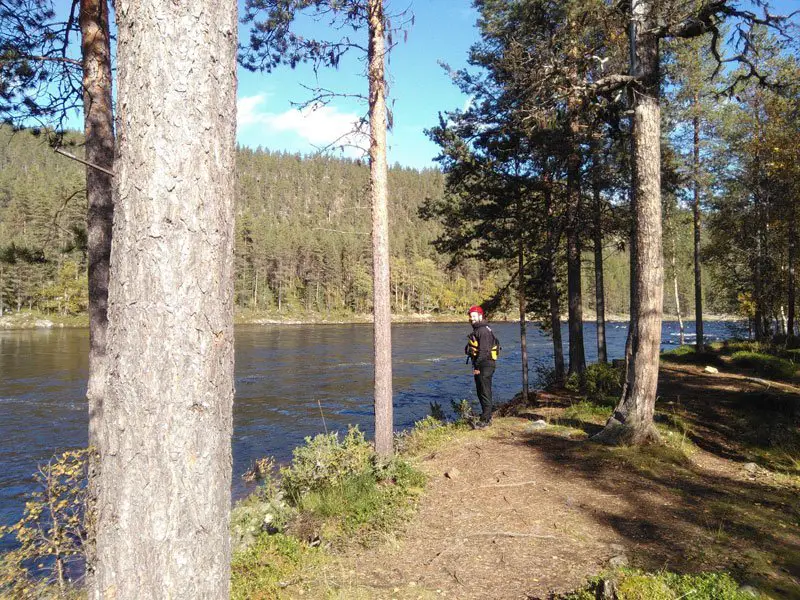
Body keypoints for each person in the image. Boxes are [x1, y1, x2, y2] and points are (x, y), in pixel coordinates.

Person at [465, 304, 498, 428]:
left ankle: (486, 420)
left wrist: (477, 367)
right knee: (482, 391)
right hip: (483, 364)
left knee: (484, 391)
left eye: (473, 316)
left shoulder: (483, 330)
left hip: (485, 365)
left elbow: (484, 351)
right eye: (470, 316)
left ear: (480, 316)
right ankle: (486, 414)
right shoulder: (480, 329)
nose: (471, 318)